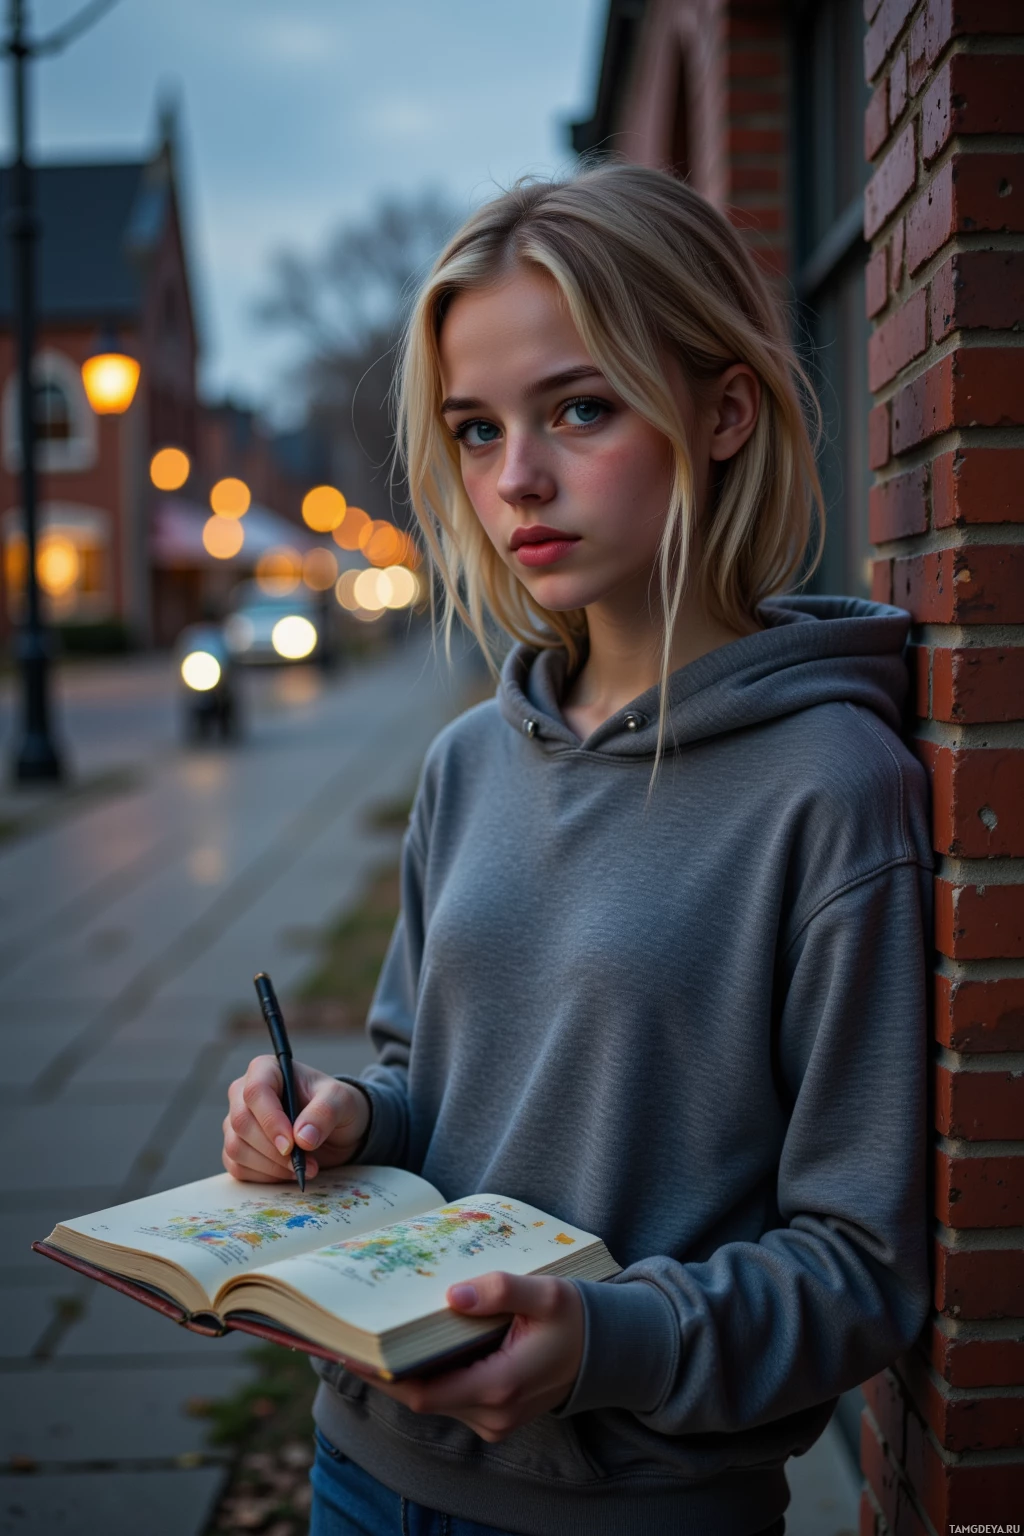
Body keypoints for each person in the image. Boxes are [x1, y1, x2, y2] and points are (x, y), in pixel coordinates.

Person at [221, 165, 931, 1536]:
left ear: (725, 411)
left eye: (580, 408)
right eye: (475, 432)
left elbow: (860, 1268)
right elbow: (430, 1080)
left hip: (633, 1506)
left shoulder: (835, 791)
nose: (518, 480)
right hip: (361, 1465)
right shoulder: (468, 762)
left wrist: (606, 1343)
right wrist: (345, 1121)